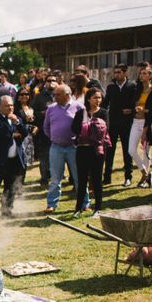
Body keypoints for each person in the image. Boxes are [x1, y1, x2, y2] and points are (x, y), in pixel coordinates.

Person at [43, 84, 90, 213]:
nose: (55, 97)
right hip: (56, 148)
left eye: (58, 94)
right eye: (54, 94)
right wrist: (55, 137)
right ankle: (51, 204)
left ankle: (85, 203)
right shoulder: (51, 109)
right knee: (55, 178)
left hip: (74, 148)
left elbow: (86, 127)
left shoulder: (79, 107)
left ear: (67, 95)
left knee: (79, 177)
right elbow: (46, 127)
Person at [71, 88, 111, 217]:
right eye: (95, 97)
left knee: (97, 179)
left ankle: (98, 208)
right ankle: (78, 208)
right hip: (82, 149)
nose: (98, 100)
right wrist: (86, 127)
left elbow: (105, 129)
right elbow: (74, 129)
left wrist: (88, 127)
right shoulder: (80, 113)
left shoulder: (104, 113)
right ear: (88, 99)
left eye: (99, 97)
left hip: (97, 150)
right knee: (82, 180)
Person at [102, 63, 136, 186]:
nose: (116, 75)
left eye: (119, 72)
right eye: (115, 72)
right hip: (113, 123)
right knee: (110, 151)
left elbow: (136, 104)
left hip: (127, 123)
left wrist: (131, 110)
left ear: (125, 72)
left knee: (127, 151)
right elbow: (105, 104)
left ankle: (128, 177)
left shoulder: (132, 86)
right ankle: (107, 177)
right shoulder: (111, 87)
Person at [128, 67, 152, 188]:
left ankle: (144, 179)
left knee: (146, 151)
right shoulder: (137, 89)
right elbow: (133, 104)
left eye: (145, 73)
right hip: (136, 121)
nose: (142, 75)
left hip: (147, 122)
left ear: (150, 76)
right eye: (141, 73)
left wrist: (143, 110)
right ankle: (145, 173)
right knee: (131, 150)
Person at [31, 74, 58, 186]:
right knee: (44, 155)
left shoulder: (60, 95)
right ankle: (44, 177)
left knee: (57, 155)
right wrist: (43, 114)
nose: (51, 82)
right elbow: (33, 112)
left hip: (58, 130)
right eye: (49, 80)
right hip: (44, 130)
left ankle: (55, 176)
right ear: (45, 82)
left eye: (53, 80)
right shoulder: (39, 96)